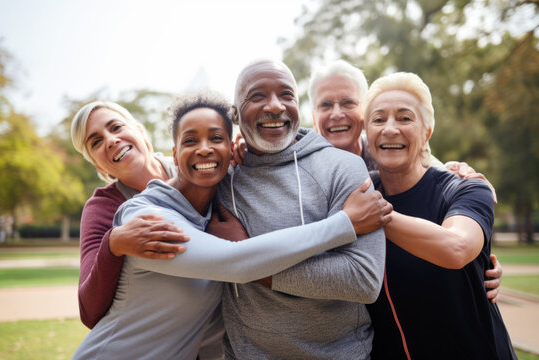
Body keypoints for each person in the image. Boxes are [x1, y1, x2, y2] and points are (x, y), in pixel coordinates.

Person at [72, 90, 381, 360]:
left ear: (232, 147)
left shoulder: (215, 204)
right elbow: (237, 262)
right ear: (175, 152)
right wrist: (343, 224)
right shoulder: (143, 218)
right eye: (191, 140)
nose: (205, 148)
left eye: (216, 138)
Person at [214, 59, 387, 359]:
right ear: (235, 114)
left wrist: (247, 262)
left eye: (286, 95)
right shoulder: (219, 180)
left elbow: (363, 279)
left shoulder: (344, 168)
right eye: (258, 96)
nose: (276, 106)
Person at [307, 59, 503, 301]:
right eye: (325, 105)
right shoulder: (299, 169)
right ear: (313, 116)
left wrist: (479, 257)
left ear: (363, 114)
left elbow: (455, 225)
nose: (336, 113)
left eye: (348, 103)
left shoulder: (393, 153)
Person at [359, 72, 516, 359]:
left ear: (427, 132)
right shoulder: (355, 191)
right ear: (367, 133)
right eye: (378, 119)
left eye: (405, 118)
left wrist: (375, 214)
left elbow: (456, 248)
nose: (390, 129)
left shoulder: (468, 188)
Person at [71, 101, 189, 329]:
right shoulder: (102, 207)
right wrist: (113, 245)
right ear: (97, 165)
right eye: (96, 141)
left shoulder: (189, 166)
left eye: (116, 127)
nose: (111, 140)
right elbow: (88, 311)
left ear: (139, 130)